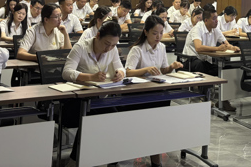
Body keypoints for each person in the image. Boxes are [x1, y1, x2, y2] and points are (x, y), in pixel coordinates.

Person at [62, 21, 125, 166]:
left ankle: (110, 159)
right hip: (76, 100)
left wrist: (120, 73)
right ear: (98, 36)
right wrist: (90, 77)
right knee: (91, 118)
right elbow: (66, 72)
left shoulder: (112, 50)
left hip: (98, 99)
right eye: (106, 44)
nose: (109, 48)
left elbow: (121, 68)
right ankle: (76, 161)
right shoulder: (81, 47)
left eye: (113, 45)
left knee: (115, 117)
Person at [124, 15, 184, 167]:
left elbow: (162, 70)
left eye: (161, 33)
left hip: (156, 89)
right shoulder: (137, 49)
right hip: (139, 93)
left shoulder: (161, 47)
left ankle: (156, 152)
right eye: (154, 33)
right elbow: (128, 72)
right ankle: (146, 150)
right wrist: (145, 70)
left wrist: (171, 67)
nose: (158, 37)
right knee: (150, 123)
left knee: (159, 121)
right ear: (146, 32)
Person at [182, 6, 240, 76]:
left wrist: (233, 48)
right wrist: (218, 48)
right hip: (191, 60)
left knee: (218, 69)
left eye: (217, 18)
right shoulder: (197, 28)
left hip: (204, 60)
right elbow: (198, 48)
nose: (217, 21)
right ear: (206, 20)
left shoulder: (215, 28)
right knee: (201, 66)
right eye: (214, 19)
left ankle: (215, 83)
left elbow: (226, 44)